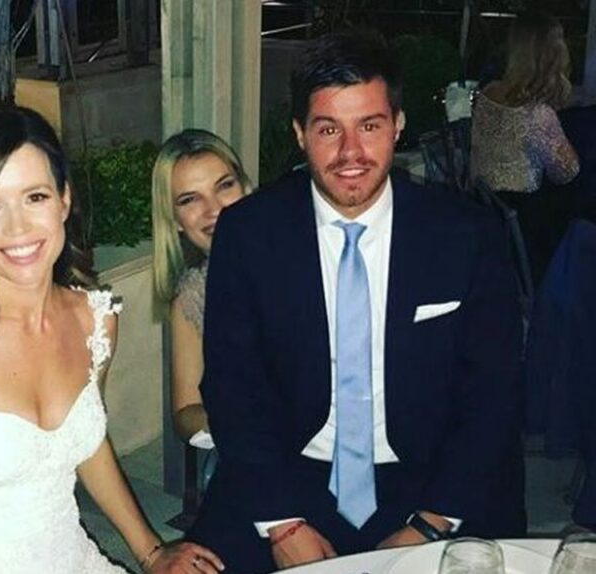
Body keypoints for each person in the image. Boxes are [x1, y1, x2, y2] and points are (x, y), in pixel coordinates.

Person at [191, 32, 525, 573]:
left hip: (431, 479)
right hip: (289, 473)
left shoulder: (465, 235)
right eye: (328, 129)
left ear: (397, 124)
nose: (350, 152)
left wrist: (430, 525)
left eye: (369, 126)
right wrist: (282, 523)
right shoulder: (248, 233)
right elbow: (233, 387)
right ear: (300, 133)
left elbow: (494, 392)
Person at [0, 105, 224, 574]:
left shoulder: (95, 321)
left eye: (34, 197)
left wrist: (151, 551)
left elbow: (85, 442)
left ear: (64, 200)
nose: (17, 228)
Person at [151, 129, 252, 445]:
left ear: (245, 187)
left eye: (224, 186)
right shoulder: (192, 297)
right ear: (175, 219)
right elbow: (185, 414)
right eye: (189, 199)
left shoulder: (300, 251)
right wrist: (235, 418)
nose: (214, 209)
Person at [471, 12, 580, 284]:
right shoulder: (537, 115)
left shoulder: (488, 92)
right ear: (552, 53)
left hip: (487, 205)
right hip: (523, 222)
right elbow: (568, 172)